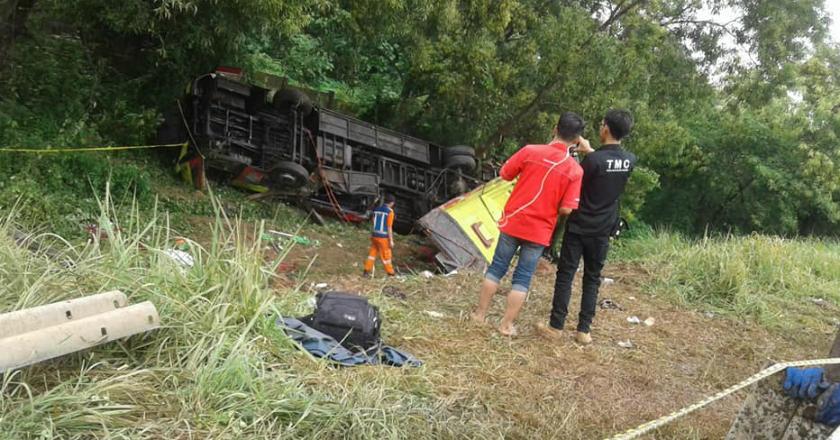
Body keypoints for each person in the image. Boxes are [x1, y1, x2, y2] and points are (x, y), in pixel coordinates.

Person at [471, 112, 585, 336]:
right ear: (577, 140)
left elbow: (505, 174)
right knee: (522, 277)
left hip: (514, 221)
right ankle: (505, 325)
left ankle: (479, 315)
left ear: (555, 129)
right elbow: (566, 209)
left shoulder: (530, 151)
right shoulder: (574, 170)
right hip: (539, 230)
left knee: (496, 268)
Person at [538, 109, 636, 345]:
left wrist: (586, 152)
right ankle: (584, 330)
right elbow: (607, 167)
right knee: (593, 278)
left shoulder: (591, 161)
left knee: (566, 274)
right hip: (604, 229)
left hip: (580, 226)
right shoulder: (630, 160)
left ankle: (556, 325)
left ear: (606, 129)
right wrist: (591, 151)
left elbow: (584, 175)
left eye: (602, 124)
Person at [363, 193, 396, 277]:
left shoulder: (377, 209)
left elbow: (373, 221)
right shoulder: (390, 212)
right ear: (392, 203)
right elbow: (389, 227)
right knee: (386, 256)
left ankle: (366, 271)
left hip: (374, 235)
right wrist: (391, 240)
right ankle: (390, 273)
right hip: (383, 237)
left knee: (372, 253)